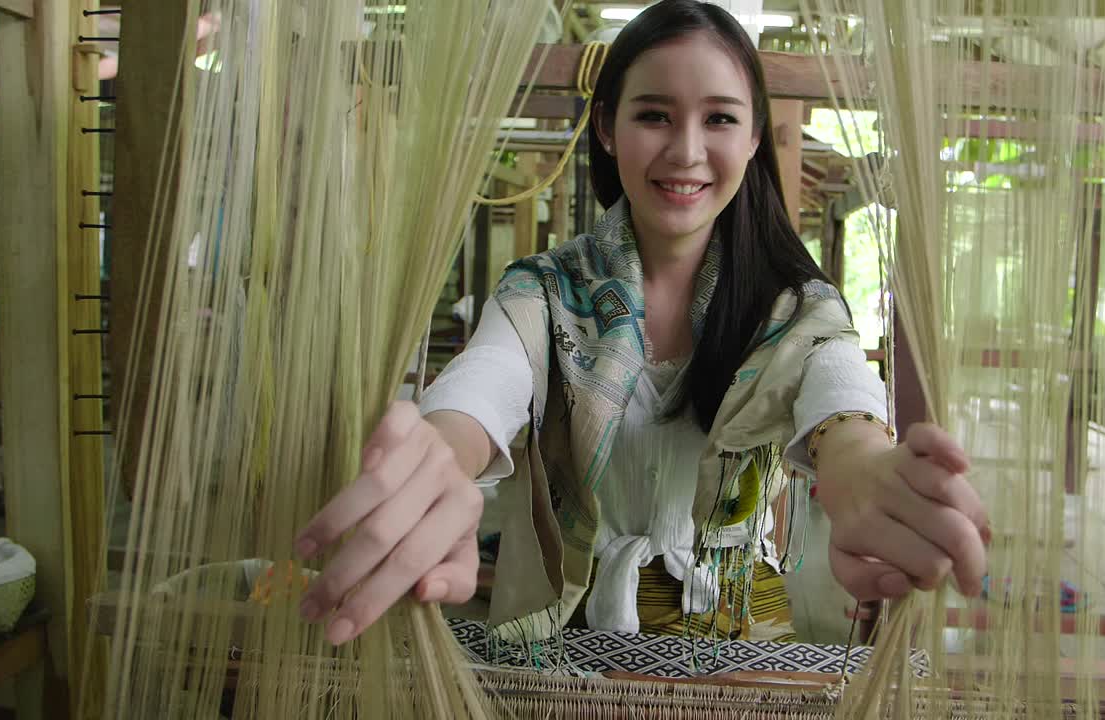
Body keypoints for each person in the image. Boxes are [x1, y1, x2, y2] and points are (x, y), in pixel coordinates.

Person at [292, 0, 988, 647]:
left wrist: (862, 470)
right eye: (655, 114)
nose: (686, 151)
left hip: (737, 656)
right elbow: (484, 381)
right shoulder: (542, 292)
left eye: (719, 120)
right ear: (606, 126)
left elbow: (844, 403)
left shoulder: (798, 309)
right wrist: (440, 454)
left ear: (753, 138)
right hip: (557, 651)